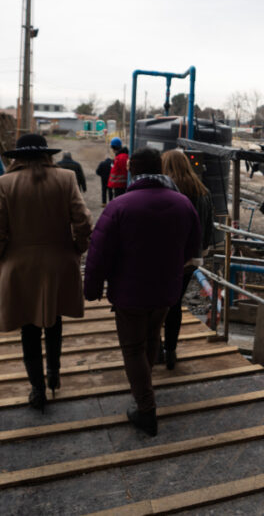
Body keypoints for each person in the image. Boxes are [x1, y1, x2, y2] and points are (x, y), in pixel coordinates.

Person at [84, 148, 201, 436]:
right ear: (159, 168)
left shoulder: (120, 206)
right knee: (150, 339)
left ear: (132, 171)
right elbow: (192, 248)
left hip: (129, 292)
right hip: (165, 291)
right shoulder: (183, 203)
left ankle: (146, 409)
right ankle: (143, 389)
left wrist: (92, 288)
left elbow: (99, 254)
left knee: (133, 348)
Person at [0, 133, 92, 413]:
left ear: (17, 157)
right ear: (47, 154)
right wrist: (77, 248)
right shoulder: (66, 178)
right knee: (54, 319)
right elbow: (83, 220)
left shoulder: (4, 183)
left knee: (28, 328)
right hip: (59, 262)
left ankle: (37, 388)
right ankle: (54, 372)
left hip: (19, 266)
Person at [160, 149, 216, 369]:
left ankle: (157, 350)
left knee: (157, 304)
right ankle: (171, 352)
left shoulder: (167, 191)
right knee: (175, 304)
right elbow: (209, 226)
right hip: (192, 259)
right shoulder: (203, 190)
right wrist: (202, 250)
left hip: (167, 258)